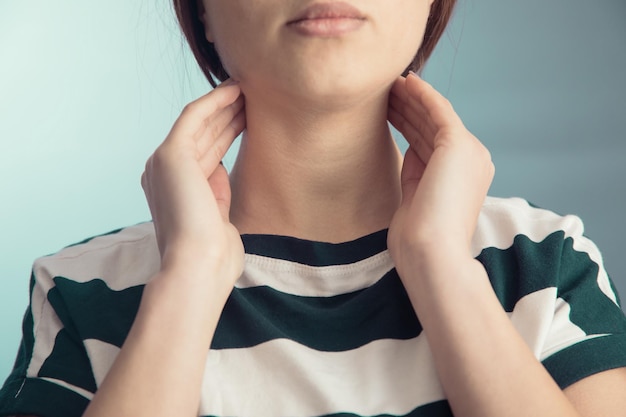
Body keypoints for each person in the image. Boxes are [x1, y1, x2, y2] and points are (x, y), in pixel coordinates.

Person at [1, 0, 626, 416]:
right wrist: (189, 277)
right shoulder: (80, 291)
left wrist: (440, 266)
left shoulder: (543, 263)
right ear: (203, 15)